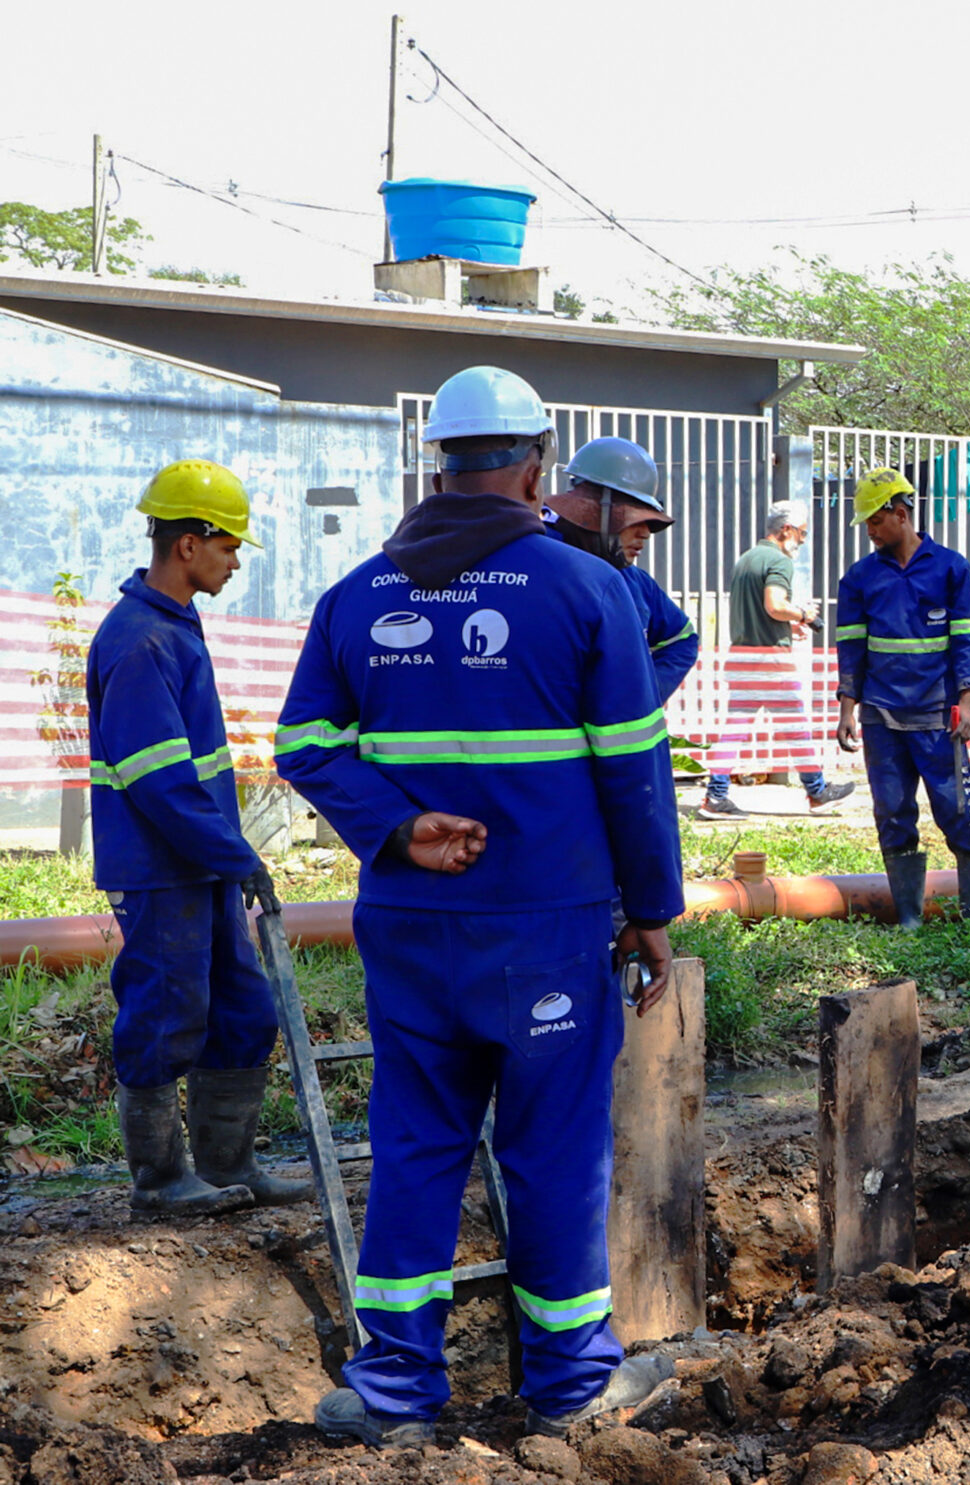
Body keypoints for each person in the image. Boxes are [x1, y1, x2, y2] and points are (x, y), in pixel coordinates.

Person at [278, 365, 682, 1447]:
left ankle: (397, 1389)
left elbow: (305, 745)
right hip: (545, 927)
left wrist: (397, 827)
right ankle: (570, 1388)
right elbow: (635, 774)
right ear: (538, 465)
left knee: (415, 1143)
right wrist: (651, 909)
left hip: (410, 924)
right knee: (551, 1151)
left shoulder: (358, 595)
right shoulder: (588, 590)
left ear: (437, 462)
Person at [87, 460, 309, 1218]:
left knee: (243, 1005)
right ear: (188, 544)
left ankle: (227, 1163)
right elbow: (157, 779)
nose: (235, 561)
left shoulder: (174, 627)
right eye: (228, 546)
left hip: (199, 862)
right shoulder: (140, 639)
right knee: (163, 1008)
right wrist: (235, 852)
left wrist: (226, 852)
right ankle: (157, 1181)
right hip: (160, 869)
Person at [832, 470, 970, 927]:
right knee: (893, 814)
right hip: (882, 717)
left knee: (958, 811)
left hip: (939, 716)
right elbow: (851, 647)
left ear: (900, 515)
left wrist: (968, 701)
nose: (870, 531)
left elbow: (967, 639)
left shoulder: (951, 568)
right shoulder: (859, 578)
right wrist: (848, 707)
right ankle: (909, 919)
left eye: (875, 521)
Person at [699, 500, 858, 819]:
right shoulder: (778, 561)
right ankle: (817, 792)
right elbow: (773, 604)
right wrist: (804, 615)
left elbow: (760, 612)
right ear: (785, 530)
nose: (802, 540)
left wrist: (787, 627)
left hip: (744, 658)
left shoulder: (747, 559)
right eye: (801, 533)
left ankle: (715, 796)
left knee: (735, 730)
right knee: (796, 728)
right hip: (770, 664)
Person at [544, 436, 699, 704]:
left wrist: (641, 699)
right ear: (593, 511)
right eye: (635, 519)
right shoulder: (537, 565)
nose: (646, 534)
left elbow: (682, 639)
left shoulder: (634, 581)